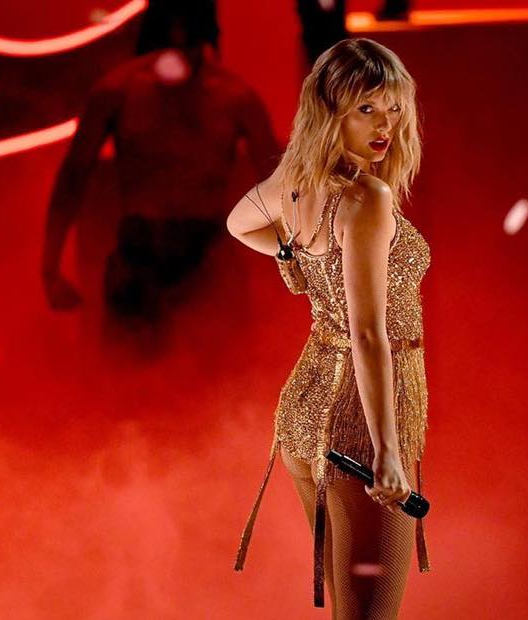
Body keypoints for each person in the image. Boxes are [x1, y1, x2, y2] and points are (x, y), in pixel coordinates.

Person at [227, 38, 431, 617]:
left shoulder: (297, 180)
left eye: (392, 107)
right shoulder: (366, 198)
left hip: (308, 406)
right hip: (356, 423)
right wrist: (386, 451)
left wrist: (293, 256)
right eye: (366, 108)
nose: (385, 124)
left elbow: (240, 222)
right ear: (330, 110)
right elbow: (368, 333)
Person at [42, 0, 279, 323]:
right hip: (139, 259)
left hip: (209, 260)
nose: (179, 36)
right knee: (132, 352)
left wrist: (297, 267)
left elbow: (278, 189)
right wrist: (50, 269)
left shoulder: (234, 98)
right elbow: (73, 178)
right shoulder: (118, 91)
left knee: (222, 349)